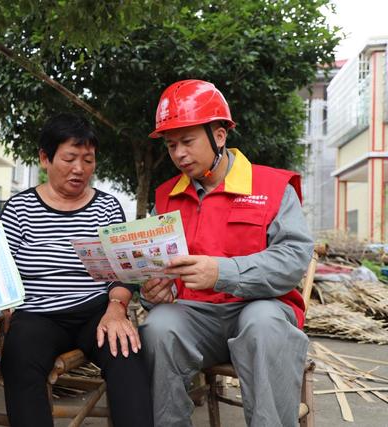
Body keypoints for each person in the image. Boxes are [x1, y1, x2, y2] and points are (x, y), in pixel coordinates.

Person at [139, 79, 314, 427]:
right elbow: (160, 268)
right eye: (171, 145)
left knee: (263, 326)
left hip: (260, 309)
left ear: (219, 135)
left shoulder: (271, 187)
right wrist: (152, 291)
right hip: (194, 316)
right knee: (157, 327)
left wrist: (222, 272)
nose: (179, 154)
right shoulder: (166, 197)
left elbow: (294, 259)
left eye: (187, 141)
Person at [0, 113, 154, 427]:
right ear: (45, 158)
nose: (79, 169)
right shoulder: (19, 209)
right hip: (38, 314)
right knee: (19, 354)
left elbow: (121, 274)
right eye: (69, 158)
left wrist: (116, 308)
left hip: (95, 312)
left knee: (126, 350)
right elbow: (1, 273)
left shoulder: (107, 207)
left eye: (88, 160)